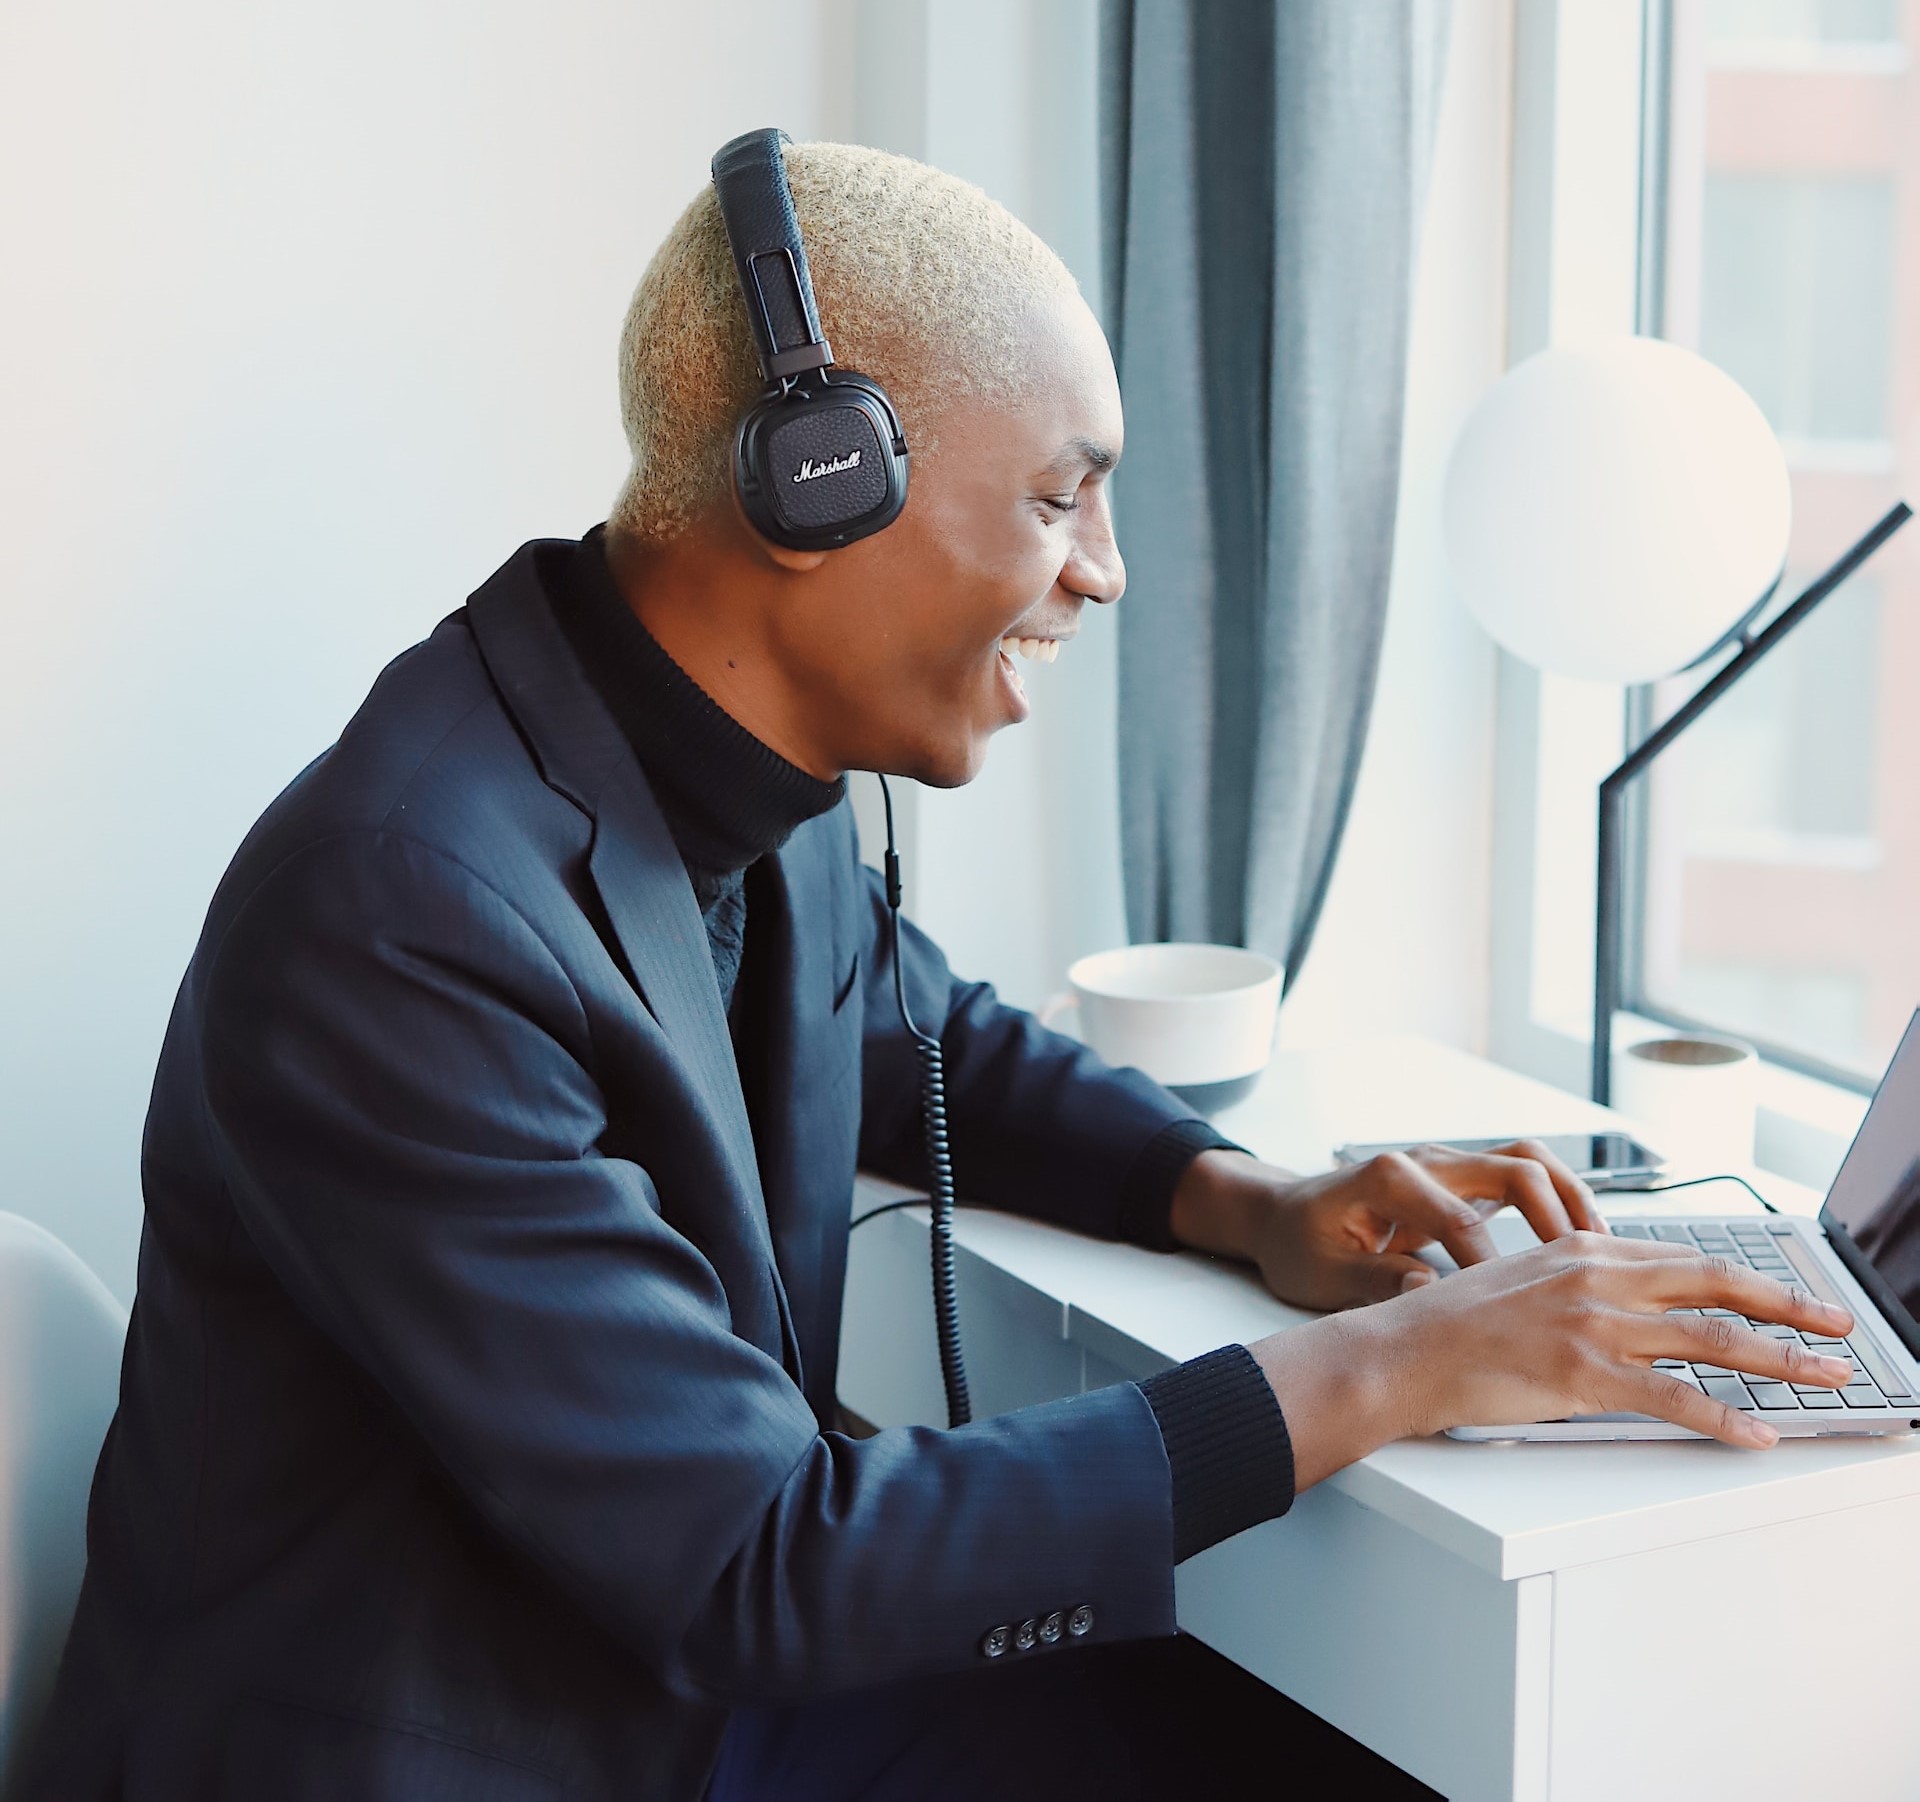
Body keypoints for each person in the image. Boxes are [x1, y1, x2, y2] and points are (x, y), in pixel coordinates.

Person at [26, 139, 1857, 1802]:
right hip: (463, 1744)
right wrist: (1398, 1365)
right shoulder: (397, 914)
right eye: (1064, 499)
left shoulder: (740, 762)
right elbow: (760, 1561)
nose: (1109, 574)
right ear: (823, 484)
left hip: (662, 1673)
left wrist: (1252, 1199)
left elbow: (924, 1035)